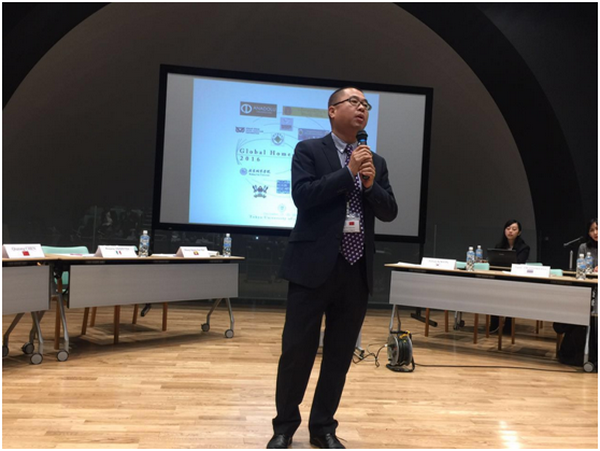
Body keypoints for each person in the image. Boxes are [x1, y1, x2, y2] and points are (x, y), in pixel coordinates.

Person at [267, 87, 398, 449]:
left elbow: (389, 211)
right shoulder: (309, 150)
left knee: (339, 355)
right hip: (311, 267)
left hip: (355, 271)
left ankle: (323, 427)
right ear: (331, 111)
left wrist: (369, 183)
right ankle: (284, 427)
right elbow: (303, 196)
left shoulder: (376, 161)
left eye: (366, 105)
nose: (362, 108)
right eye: (354, 102)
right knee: (297, 352)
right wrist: (348, 171)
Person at [490, 219, 530, 334]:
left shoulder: (524, 248)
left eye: (514, 229)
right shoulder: (499, 246)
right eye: (508, 229)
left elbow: (520, 263)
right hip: (500, 278)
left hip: (515, 280)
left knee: (510, 295)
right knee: (493, 293)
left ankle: (508, 325)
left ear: (519, 232)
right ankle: (495, 323)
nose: (510, 231)